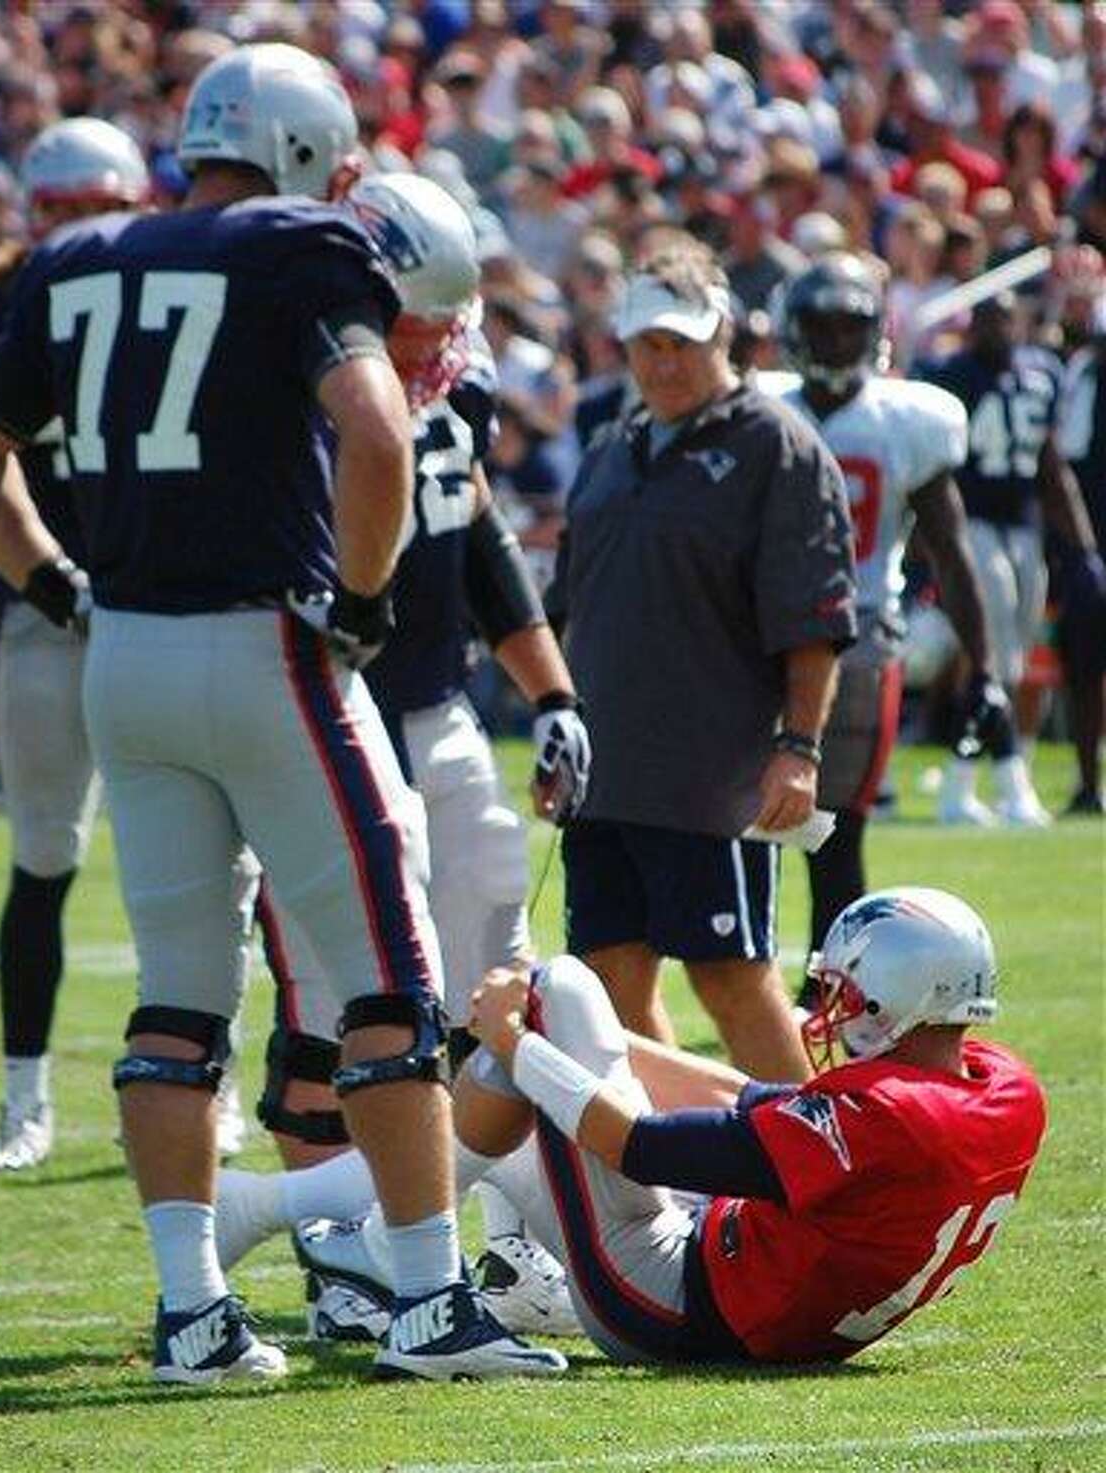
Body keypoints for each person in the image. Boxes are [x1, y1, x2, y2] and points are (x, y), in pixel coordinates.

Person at [0, 43, 564, 1386]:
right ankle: (430, 1303)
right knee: (387, 983)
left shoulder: (78, 256)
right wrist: (367, 602)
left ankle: (195, 1315)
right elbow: (380, 434)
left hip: (126, 662)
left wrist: (54, 585)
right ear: (294, 158)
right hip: (267, 648)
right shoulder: (296, 245)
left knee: (178, 1002)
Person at [224, 886, 1046, 1368]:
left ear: (896, 998)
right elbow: (750, 1097)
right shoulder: (998, 1090)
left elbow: (634, 1142)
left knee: (554, 998)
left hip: (663, 1299)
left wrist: (515, 1034)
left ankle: (358, 1240)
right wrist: (592, 1043)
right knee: (530, 1085)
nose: (829, 1011)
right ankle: (373, 1238)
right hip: (742, 1273)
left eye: (846, 993)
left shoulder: (880, 1118)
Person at [253, 170, 588, 1339]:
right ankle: (336, 1253)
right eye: (420, 321)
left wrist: (547, 690)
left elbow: (477, 523)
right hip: (325, 710)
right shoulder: (282, 381)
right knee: (330, 1001)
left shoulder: (456, 384)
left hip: (441, 711)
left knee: (496, 985)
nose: (444, 344)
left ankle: (487, 1251)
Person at [547, 240, 857, 1080]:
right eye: (648, 342)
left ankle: (813, 1164)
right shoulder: (616, 444)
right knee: (609, 986)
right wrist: (554, 727)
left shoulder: (775, 446)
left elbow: (815, 617)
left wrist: (799, 748)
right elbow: (570, 605)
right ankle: (680, 1172)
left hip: (712, 770)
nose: (664, 360)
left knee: (730, 976)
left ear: (723, 331)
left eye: (681, 341)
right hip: (606, 768)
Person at [0, 118, 149, 1171]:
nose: (76, 231)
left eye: (95, 212)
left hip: (168, 603)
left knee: (203, 867)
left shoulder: (181, 293)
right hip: (44, 611)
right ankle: (25, 1097)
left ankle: (198, 1084)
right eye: (60, 212)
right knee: (44, 857)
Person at [763, 253, 1004, 978]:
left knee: (836, 834)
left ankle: (829, 993)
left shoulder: (906, 418)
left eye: (850, 326)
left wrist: (985, 668)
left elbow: (952, 551)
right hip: (759, 641)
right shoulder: (759, 407)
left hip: (860, 639)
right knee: (748, 831)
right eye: (822, 326)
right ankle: (757, 990)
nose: (837, 341)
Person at [920, 292, 1102, 825]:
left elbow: (1051, 466)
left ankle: (996, 773)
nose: (997, 328)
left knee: (1017, 659)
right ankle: (979, 781)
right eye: (988, 319)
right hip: (970, 522)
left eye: (1005, 318)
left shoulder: (1039, 374)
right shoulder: (949, 374)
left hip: (1023, 526)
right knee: (990, 656)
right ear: (972, 326)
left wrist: (1084, 547)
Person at [1054, 292, 1106, 815]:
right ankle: (1089, 783)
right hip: (1091, 548)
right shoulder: (1082, 382)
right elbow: (1062, 467)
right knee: (1084, 673)